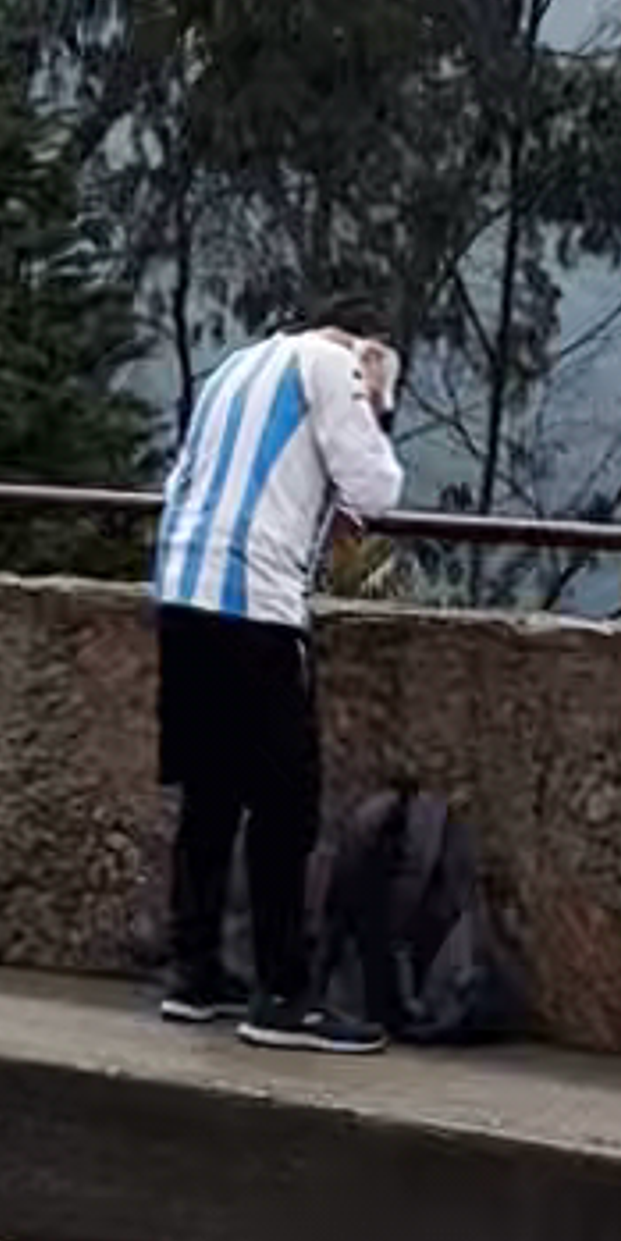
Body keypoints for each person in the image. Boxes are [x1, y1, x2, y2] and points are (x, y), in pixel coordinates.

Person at [147, 316, 406, 1048]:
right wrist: (374, 407)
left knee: (210, 793)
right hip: (254, 604)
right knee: (285, 805)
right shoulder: (333, 367)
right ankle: (284, 994)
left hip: (183, 589)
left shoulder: (237, 365)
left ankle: (193, 975)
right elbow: (374, 485)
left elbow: (184, 475)